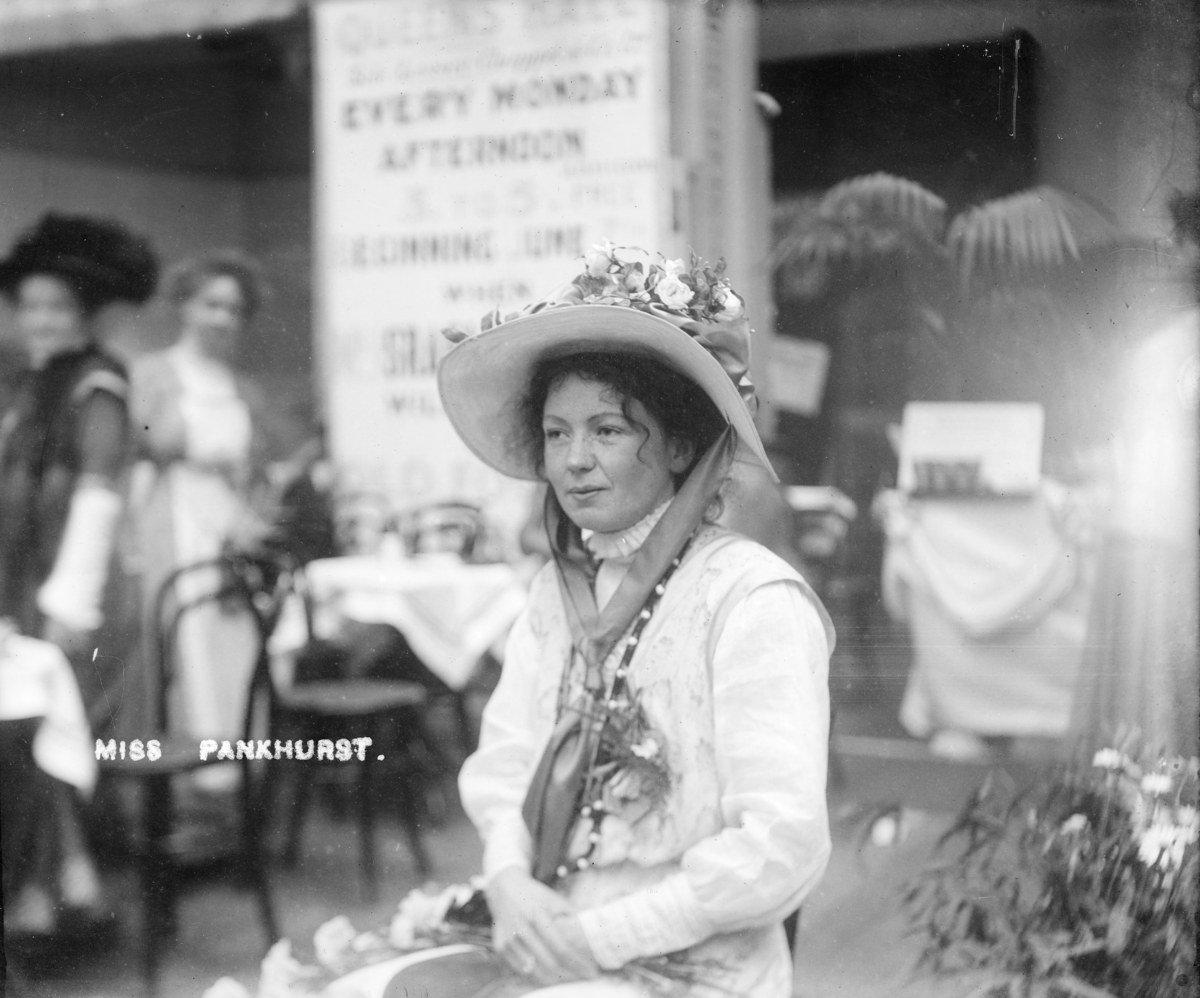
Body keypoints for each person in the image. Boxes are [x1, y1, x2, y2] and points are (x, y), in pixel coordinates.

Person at [378, 245, 835, 997]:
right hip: (545, 925)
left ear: (682, 444)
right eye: (557, 433)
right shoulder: (555, 593)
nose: (574, 462)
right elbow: (506, 761)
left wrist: (597, 937)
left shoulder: (750, 600)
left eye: (609, 431)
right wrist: (509, 882)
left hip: (690, 960)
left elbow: (780, 845)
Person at [0, 211, 157, 931]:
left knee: (43, 728)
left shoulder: (97, 385)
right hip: (30, 584)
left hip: (81, 595)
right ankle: (71, 878)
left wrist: (69, 601)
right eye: (29, 306)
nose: (40, 320)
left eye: (56, 307)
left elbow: (97, 494)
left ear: (86, 314)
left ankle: (47, 893)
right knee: (30, 729)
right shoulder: (35, 383)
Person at [126, 250, 274, 753]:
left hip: (228, 523)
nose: (223, 319)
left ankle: (233, 759)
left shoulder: (239, 386)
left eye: (234, 310)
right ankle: (187, 758)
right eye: (212, 304)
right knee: (181, 637)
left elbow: (257, 465)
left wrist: (248, 511)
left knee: (231, 636)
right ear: (185, 306)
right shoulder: (152, 374)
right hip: (174, 518)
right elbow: (139, 450)